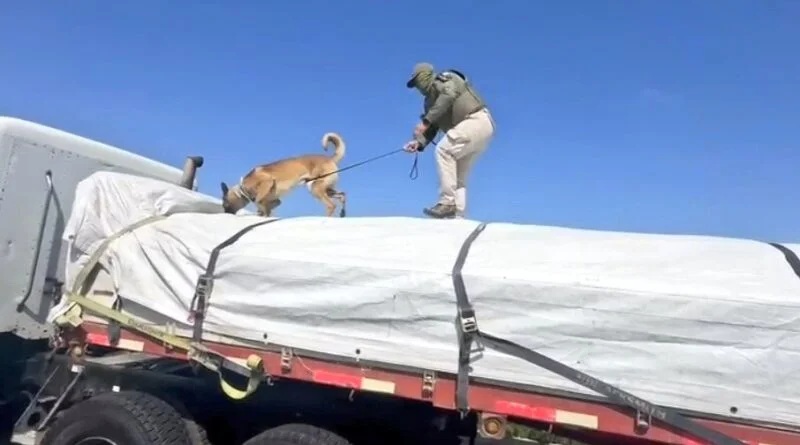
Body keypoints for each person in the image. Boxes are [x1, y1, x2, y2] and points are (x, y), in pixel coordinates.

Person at [403, 62, 496, 219]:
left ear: (425, 76)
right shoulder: (429, 103)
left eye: (418, 81)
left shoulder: (446, 79)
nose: (418, 87)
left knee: (443, 150)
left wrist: (425, 122)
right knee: (457, 176)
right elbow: (432, 127)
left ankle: (447, 202)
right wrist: (418, 143)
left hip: (476, 120)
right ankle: (457, 216)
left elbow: (449, 95)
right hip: (473, 131)